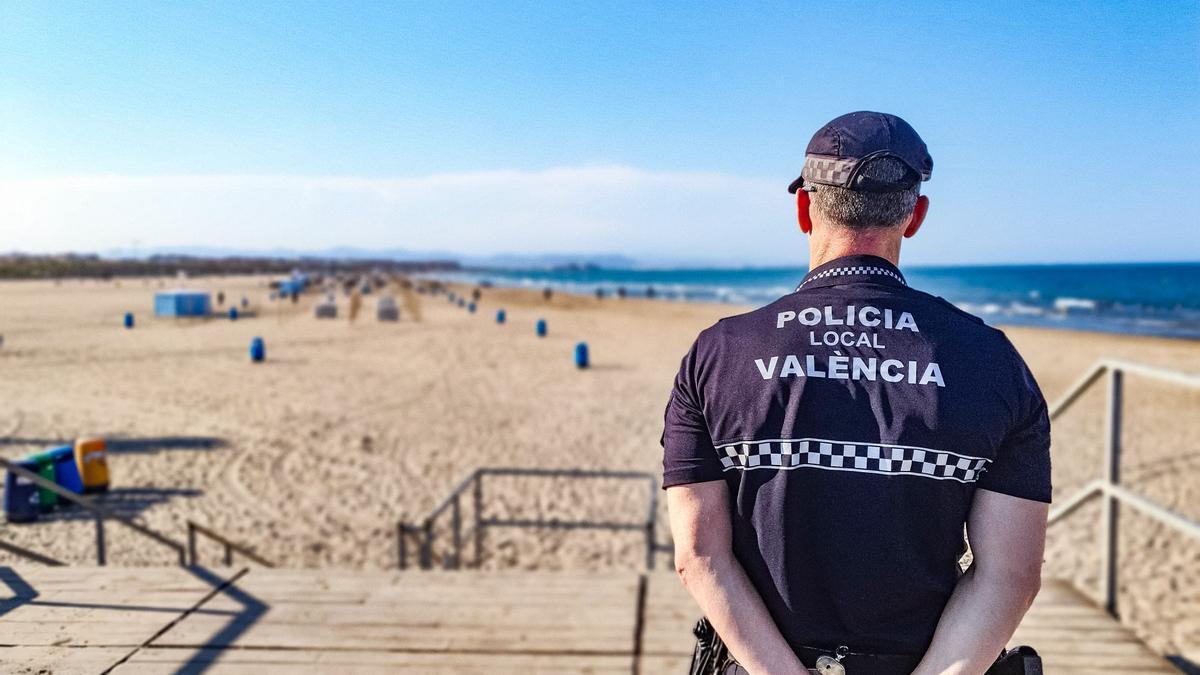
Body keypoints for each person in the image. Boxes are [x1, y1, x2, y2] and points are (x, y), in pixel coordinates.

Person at [662, 112, 1050, 675]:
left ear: (803, 210)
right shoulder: (992, 361)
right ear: (914, 217)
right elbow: (1009, 575)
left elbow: (699, 556)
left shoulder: (719, 353)